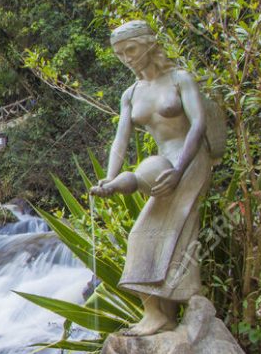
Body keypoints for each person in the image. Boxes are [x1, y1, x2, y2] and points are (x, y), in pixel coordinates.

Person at [90, 20, 216, 337]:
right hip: (161, 164)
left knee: (164, 230)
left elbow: (198, 124)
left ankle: (163, 313)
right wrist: (109, 177)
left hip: (188, 160)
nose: (127, 58)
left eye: (130, 49)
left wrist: (180, 169)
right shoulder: (131, 94)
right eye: (119, 54)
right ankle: (161, 314)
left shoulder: (179, 79)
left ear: (149, 43)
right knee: (154, 233)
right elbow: (121, 140)